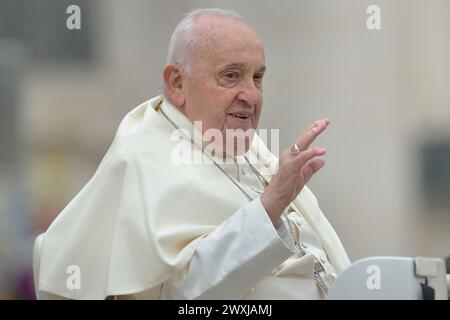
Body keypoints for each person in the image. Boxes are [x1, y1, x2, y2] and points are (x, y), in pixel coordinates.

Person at [33, 8, 351, 300]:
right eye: (231, 76)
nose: (252, 95)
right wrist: (270, 206)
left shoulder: (252, 149)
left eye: (257, 77)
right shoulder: (143, 159)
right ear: (177, 83)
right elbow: (183, 296)